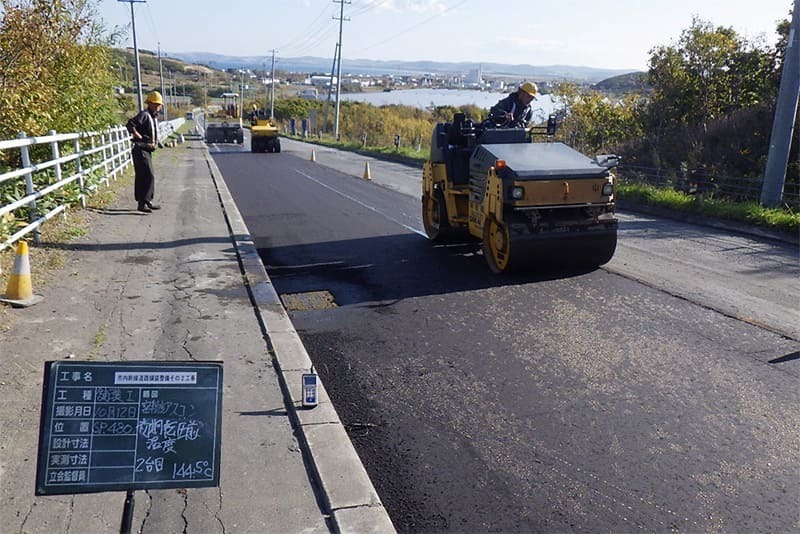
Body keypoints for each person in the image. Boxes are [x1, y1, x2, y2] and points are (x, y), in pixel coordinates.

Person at [126, 91, 163, 213]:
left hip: (147, 149)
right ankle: (143, 202)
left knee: (146, 175)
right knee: (147, 175)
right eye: (157, 104)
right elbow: (130, 124)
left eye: (160, 105)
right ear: (151, 104)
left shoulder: (153, 117)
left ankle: (147, 201)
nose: (159, 107)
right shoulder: (144, 114)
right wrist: (136, 134)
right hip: (140, 148)